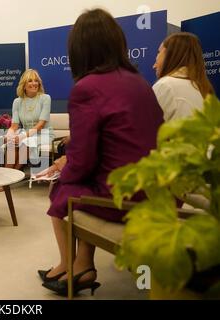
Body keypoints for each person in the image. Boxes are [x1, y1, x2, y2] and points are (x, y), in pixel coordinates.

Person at [39, 8, 163, 296]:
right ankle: (82, 264)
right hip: (157, 190)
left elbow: (82, 162)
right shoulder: (141, 83)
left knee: (62, 188)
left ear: (79, 50)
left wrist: (61, 168)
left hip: (125, 197)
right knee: (81, 183)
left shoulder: (87, 88)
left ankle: (69, 264)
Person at [152, 32, 215, 121]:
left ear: (169, 54)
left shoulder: (165, 85)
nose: (154, 65)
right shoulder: (204, 89)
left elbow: (148, 128)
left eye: (159, 52)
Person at [4, 69, 53, 171]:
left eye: (36, 81)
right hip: (26, 133)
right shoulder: (17, 102)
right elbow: (14, 125)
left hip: (43, 134)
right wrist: (10, 135)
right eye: (30, 81)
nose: (34, 83)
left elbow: (41, 125)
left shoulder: (45, 98)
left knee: (26, 142)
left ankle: (10, 179)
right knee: (12, 144)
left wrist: (22, 136)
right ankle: (8, 177)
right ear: (24, 85)